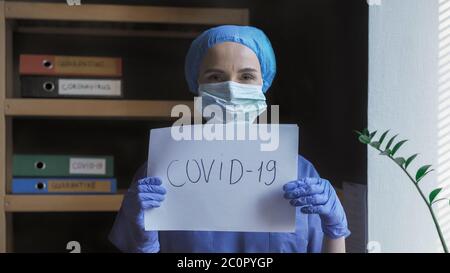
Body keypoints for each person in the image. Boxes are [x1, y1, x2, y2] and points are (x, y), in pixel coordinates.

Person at [109, 25, 350, 253]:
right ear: (197, 83)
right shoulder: (159, 173)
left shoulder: (300, 173)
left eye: (246, 77)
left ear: (263, 83)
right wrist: (144, 245)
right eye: (215, 77)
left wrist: (335, 231)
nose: (231, 89)